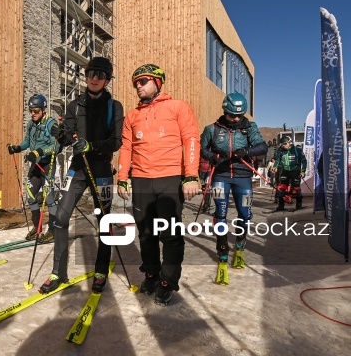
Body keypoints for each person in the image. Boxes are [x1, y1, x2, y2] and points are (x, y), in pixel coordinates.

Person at [39, 56, 124, 295]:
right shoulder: (74, 105)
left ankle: (100, 269)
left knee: (104, 222)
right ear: (85, 76)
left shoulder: (113, 107)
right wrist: (59, 134)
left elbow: (115, 142)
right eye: (90, 73)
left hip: (101, 170)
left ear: (107, 79)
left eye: (100, 74)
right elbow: (68, 137)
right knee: (60, 218)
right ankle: (58, 272)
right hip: (77, 169)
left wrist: (92, 146)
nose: (94, 78)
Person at [117, 63, 200, 306]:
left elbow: (191, 140)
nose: (138, 86)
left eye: (142, 81)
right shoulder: (132, 116)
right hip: (141, 180)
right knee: (146, 234)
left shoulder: (178, 107)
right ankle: (152, 275)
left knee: (171, 235)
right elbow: (126, 148)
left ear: (158, 81)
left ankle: (168, 281)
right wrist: (122, 177)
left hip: (170, 178)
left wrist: (191, 175)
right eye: (135, 83)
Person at [200, 92, 267, 276]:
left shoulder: (249, 128)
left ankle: (240, 248)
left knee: (244, 215)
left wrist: (245, 151)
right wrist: (212, 157)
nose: (236, 119)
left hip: (242, 177)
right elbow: (202, 150)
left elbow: (262, 147)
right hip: (221, 176)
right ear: (224, 110)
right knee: (220, 215)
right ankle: (222, 253)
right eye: (232, 115)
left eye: (240, 115)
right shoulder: (212, 129)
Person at [7, 94, 61, 243]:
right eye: (31, 110)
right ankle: (37, 228)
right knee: (31, 196)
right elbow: (27, 141)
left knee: (49, 198)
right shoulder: (31, 124)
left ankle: (52, 229)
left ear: (43, 109)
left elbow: (57, 146)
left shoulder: (51, 124)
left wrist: (39, 152)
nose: (33, 113)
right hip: (35, 165)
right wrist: (17, 148)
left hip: (47, 164)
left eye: (36, 110)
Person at [272, 135, 307, 211]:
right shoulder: (281, 151)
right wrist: (275, 167)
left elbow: (304, 161)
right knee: (282, 188)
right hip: (285, 170)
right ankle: (281, 206)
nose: (283, 146)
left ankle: (299, 205)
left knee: (296, 189)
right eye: (281, 144)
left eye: (284, 144)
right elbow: (277, 160)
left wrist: (303, 171)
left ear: (289, 143)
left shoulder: (297, 150)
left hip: (295, 170)